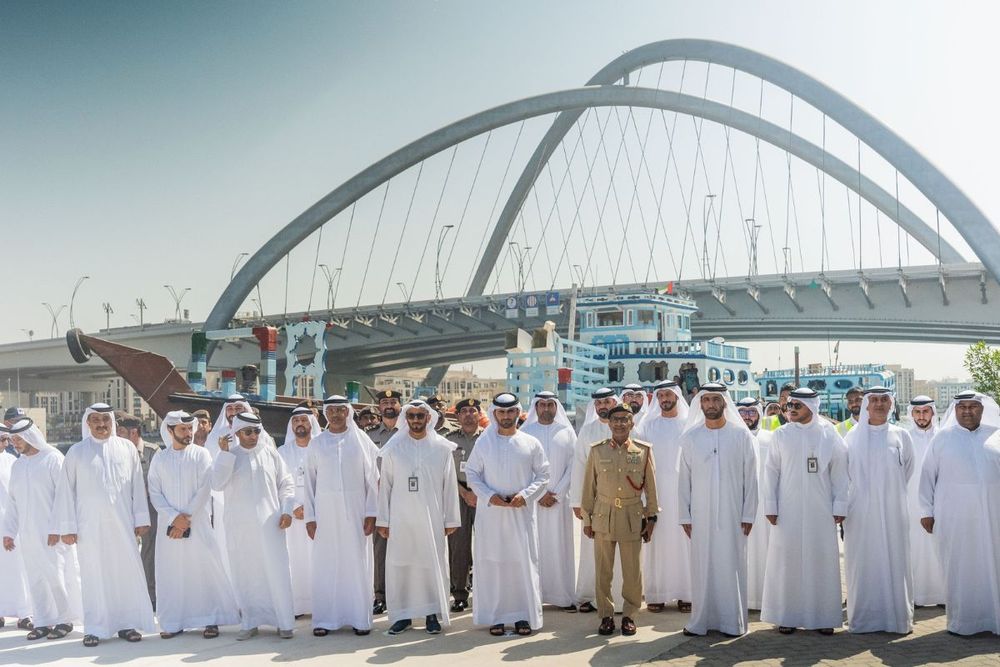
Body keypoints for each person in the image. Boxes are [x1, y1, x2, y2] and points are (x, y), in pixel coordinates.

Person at [53, 403, 155, 647]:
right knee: (94, 575)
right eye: (96, 420)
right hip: (90, 527)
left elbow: (136, 487)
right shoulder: (76, 452)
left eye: (105, 420)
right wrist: (67, 527)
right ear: (88, 423)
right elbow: (65, 491)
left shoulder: (127, 448)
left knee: (125, 573)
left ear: (113, 422)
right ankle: (96, 628)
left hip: (123, 525)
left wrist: (141, 518)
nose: (101, 425)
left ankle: (127, 624)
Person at [760, 388, 848, 635]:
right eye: (789, 405)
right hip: (787, 509)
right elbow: (771, 472)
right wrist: (770, 505)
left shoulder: (829, 434)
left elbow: (840, 472)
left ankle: (823, 618)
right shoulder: (781, 435)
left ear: (812, 406)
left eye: (797, 405)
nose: (792, 409)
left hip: (821, 509)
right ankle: (787, 616)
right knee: (788, 562)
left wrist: (840, 504)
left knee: (821, 561)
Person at [147, 411, 239, 639]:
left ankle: (211, 620)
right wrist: (173, 518)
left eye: (190, 429)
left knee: (204, 570)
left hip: (197, 525)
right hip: (170, 529)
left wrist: (185, 518)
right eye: (183, 430)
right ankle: (173, 622)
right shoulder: (160, 458)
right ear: (170, 431)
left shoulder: (201, 454)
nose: (189, 433)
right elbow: (154, 492)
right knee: (172, 573)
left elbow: (205, 488)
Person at [678, 383, 758, 637]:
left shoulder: (740, 435)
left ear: (724, 402)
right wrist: (684, 515)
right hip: (700, 515)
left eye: (715, 399)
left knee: (731, 565)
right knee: (702, 566)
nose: (710, 405)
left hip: (734, 513)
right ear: (700, 403)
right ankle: (700, 621)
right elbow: (683, 481)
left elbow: (751, 478)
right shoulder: (691, 437)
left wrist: (748, 514)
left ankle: (732, 622)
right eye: (706, 400)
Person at [467, 393, 550, 636]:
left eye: (510, 412)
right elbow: (472, 474)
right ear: (495, 414)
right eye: (501, 412)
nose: (506, 416)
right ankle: (496, 616)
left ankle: (523, 615)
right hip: (491, 515)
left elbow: (544, 475)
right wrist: (488, 496)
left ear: (517, 413)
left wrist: (526, 494)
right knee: (494, 563)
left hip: (520, 514)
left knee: (521, 562)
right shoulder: (484, 442)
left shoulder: (530, 442)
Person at [919, 391, 1000, 636]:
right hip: (954, 518)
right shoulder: (942, 439)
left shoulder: (996, 436)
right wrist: (926, 511)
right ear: (954, 410)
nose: (966, 411)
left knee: (993, 564)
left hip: (993, 518)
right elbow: (926, 478)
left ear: (982, 409)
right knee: (960, 566)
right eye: (961, 407)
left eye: (972, 406)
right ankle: (962, 623)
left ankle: (994, 619)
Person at [376, 400, 460, 636]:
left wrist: (450, 519)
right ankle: (403, 615)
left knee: (429, 565)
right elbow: (386, 488)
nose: (415, 420)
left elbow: (449, 486)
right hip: (401, 518)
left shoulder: (442, 448)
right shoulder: (394, 448)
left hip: (431, 517)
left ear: (428, 418)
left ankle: (431, 614)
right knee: (401, 565)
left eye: (419, 416)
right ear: (406, 419)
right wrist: (384, 520)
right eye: (411, 416)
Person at [211, 411, 296, 640]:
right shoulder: (229, 455)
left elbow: (286, 484)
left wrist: (287, 510)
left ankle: (284, 622)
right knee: (246, 574)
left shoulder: (271, 454)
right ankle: (250, 622)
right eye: (248, 432)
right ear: (237, 433)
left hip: (270, 526)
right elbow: (217, 484)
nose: (253, 436)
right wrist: (224, 455)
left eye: (257, 431)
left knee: (275, 572)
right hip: (240, 528)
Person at [304, 396, 380, 636]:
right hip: (325, 514)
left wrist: (371, 512)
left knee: (356, 563)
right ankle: (325, 620)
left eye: (340, 410)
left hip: (356, 513)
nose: (336, 414)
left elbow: (373, 481)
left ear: (348, 412)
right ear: (325, 413)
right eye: (331, 410)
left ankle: (359, 618)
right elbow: (308, 483)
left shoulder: (361, 441)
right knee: (326, 564)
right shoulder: (317, 443)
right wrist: (310, 517)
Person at [580, 404, 658, 637]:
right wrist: (587, 518)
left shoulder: (643, 450)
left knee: (632, 571)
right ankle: (605, 615)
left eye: (625, 419)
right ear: (609, 423)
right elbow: (588, 487)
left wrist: (651, 516)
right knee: (603, 570)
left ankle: (630, 616)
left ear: (632, 423)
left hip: (632, 516)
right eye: (615, 420)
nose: (620, 424)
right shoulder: (597, 451)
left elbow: (651, 487)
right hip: (603, 516)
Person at [843, 387, 914, 634]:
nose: (879, 404)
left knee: (895, 560)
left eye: (885, 400)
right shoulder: (851, 437)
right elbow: (844, 475)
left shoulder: (901, 435)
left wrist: (888, 493)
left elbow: (908, 470)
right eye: (874, 400)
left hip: (894, 510)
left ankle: (896, 619)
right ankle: (864, 620)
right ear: (866, 405)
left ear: (891, 403)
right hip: (860, 512)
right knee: (863, 563)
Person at [2, 418, 81, 640]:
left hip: (51, 534)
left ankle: (64, 620)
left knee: (57, 577)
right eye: (13, 439)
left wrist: (59, 527)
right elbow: (13, 503)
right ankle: (43, 621)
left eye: (18, 439)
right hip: (28, 535)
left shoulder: (53, 459)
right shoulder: (19, 465)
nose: (14, 443)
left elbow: (66, 497)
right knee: (35, 578)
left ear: (30, 436)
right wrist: (9, 532)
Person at [634, 380, 692, 614]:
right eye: (661, 396)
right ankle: (656, 594)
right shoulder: (648, 425)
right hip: (655, 492)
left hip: (683, 492)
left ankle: (686, 594)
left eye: (669, 394)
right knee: (655, 543)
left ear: (677, 396)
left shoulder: (690, 424)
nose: (665, 399)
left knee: (684, 542)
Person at [520, 391, 577, 611]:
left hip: (559, 502)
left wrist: (558, 493)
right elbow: (523, 469)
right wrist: (538, 494)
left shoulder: (567, 432)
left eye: (550, 404)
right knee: (534, 549)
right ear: (535, 407)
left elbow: (574, 466)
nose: (545, 408)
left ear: (556, 407)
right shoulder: (526, 432)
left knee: (560, 548)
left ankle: (563, 597)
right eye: (541, 405)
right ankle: (534, 597)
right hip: (533, 502)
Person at [570, 387, 623, 613]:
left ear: (615, 403)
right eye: (599, 403)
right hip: (596, 502)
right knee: (593, 549)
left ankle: (620, 598)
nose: (603, 406)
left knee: (621, 552)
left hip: (624, 501)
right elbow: (579, 466)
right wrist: (577, 501)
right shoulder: (588, 431)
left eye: (608, 402)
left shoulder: (628, 428)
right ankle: (591, 595)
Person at [203, 394, 255, 580]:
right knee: (226, 544)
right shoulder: (217, 435)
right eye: (230, 409)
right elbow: (210, 469)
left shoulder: (258, 434)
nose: (234, 412)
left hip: (251, 500)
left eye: (238, 408)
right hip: (223, 499)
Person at [279, 406, 321, 618]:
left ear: (312, 423)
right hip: (293, 517)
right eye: (296, 421)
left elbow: (328, 481)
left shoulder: (322, 448)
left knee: (318, 560)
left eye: (304, 420)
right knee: (294, 560)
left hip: (318, 516)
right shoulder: (282, 452)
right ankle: (297, 606)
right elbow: (279, 483)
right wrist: (294, 507)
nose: (300, 425)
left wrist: (313, 508)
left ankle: (320, 604)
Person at [905, 395, 946, 607]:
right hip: (911, 504)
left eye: (926, 411)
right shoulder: (905, 438)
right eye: (917, 412)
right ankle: (917, 596)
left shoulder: (942, 437)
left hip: (940, 503)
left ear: (932, 412)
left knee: (939, 548)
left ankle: (943, 596)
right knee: (915, 549)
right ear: (911, 414)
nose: (922, 416)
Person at [117, 413, 160, 609]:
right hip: (124, 509)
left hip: (150, 509)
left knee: (149, 552)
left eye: (121, 432)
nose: (116, 436)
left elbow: (159, 483)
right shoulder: (117, 452)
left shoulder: (153, 452)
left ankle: (150, 595)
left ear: (133, 433)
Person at [445, 397, 483, 613]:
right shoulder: (449, 440)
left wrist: (476, 492)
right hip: (457, 495)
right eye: (464, 411)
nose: (469, 414)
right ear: (457, 416)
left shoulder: (488, 438)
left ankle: (484, 592)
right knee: (458, 546)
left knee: (486, 545)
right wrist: (464, 492)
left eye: (473, 410)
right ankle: (459, 593)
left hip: (484, 496)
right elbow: (445, 471)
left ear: (479, 414)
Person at [368, 388, 403, 616]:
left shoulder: (409, 431)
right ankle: (380, 595)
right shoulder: (369, 435)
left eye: (393, 402)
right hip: (379, 497)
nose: (389, 405)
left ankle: (403, 594)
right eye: (385, 402)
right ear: (379, 408)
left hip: (405, 496)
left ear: (400, 405)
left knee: (405, 545)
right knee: (380, 548)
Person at [737, 396, 773, 612]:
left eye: (751, 412)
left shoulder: (771, 438)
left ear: (759, 414)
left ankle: (764, 599)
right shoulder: (733, 437)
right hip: (739, 505)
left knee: (766, 551)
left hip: (766, 506)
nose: (747, 416)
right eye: (743, 412)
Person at [0, 423, 35, 633]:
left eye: (6, 440)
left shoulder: (13, 461)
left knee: (19, 570)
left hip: (12, 526)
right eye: (2, 440)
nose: (5, 444)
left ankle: (24, 614)